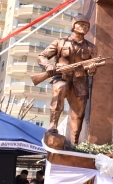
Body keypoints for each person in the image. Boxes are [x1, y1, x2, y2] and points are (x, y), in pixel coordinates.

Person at [37, 15, 99, 144]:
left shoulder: (91, 47)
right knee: (59, 89)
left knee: (79, 112)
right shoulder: (60, 42)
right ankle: (53, 125)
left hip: (80, 80)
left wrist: (92, 68)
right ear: (73, 26)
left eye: (87, 25)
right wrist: (48, 66)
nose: (84, 27)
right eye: (81, 24)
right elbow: (42, 56)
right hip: (62, 76)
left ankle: (74, 142)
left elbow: (92, 70)